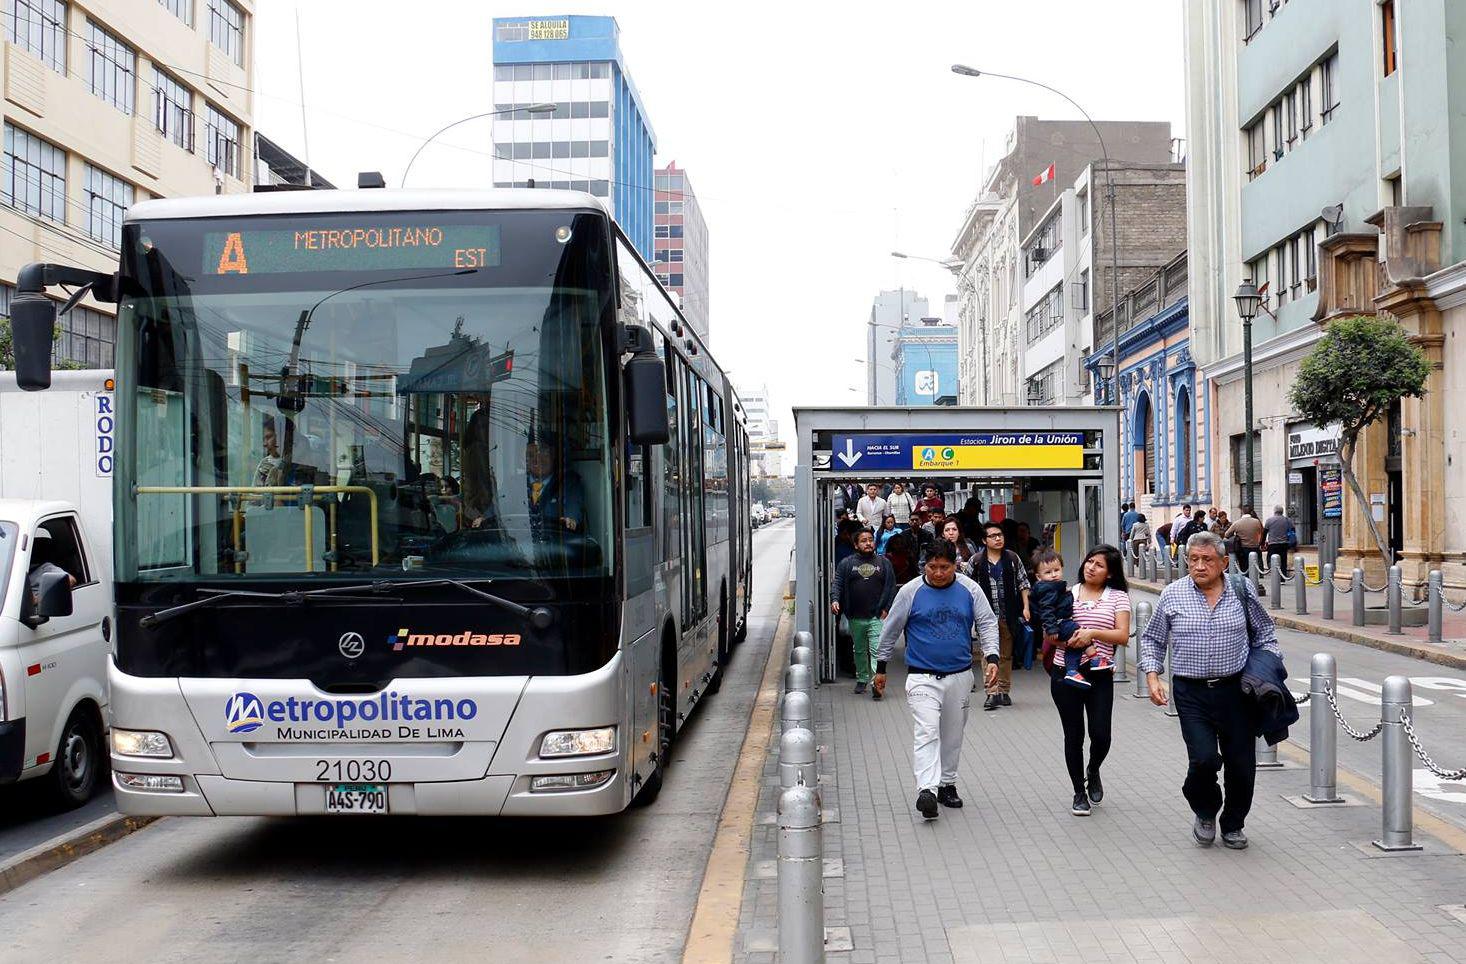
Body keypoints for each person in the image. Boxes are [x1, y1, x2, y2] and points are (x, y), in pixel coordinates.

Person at [1140, 530, 1282, 850]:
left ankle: (1233, 824)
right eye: (1193, 559)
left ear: (1224, 562)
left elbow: (1265, 634)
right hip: (1191, 693)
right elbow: (1152, 640)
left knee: (1241, 765)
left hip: (1236, 691)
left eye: (1207, 560)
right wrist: (1152, 676)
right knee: (1203, 759)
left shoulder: (1242, 590)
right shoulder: (1173, 594)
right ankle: (1205, 811)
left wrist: (1267, 666)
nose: (1200, 566)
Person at [874, 541, 1000, 819]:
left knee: (952, 735)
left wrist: (992, 657)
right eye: (933, 567)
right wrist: (881, 667)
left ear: (955, 565)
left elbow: (987, 623)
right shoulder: (910, 591)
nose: (939, 573)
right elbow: (891, 629)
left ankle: (947, 784)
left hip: (960, 675)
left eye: (945, 567)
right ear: (924, 566)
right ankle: (926, 790)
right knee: (927, 731)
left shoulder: (970, 589)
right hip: (921, 676)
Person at [1050, 544, 1131, 816]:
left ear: (1109, 573)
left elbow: (1122, 635)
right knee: (1073, 736)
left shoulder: (1118, 597)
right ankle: (1078, 792)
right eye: (1089, 561)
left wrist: (1092, 633)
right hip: (1065, 673)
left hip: (1100, 675)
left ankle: (1093, 768)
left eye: (1098, 564)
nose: (1090, 567)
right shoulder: (1066, 593)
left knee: (1101, 734)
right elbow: (1050, 633)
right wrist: (1072, 639)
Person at [969, 521, 1031, 710]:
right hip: (985, 617)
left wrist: (1026, 607)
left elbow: (1023, 583)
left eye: (1000, 535)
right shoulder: (977, 560)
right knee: (988, 654)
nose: (997, 538)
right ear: (984, 540)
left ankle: (1004, 691)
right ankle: (991, 692)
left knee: (1005, 655)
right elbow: (967, 587)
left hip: (1008, 614)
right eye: (993, 536)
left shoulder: (1012, 558)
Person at [830, 529, 897, 697]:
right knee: (859, 650)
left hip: (876, 616)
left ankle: (876, 682)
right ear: (855, 544)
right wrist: (835, 600)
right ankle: (862, 678)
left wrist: (886, 609)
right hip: (855, 616)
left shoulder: (883, 563)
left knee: (876, 650)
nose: (868, 543)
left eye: (870, 540)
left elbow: (891, 587)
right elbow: (837, 584)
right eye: (863, 541)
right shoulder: (846, 563)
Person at [1032, 550, 1096, 689]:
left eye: (1057, 570)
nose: (1054, 574)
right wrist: (1052, 628)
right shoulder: (1047, 589)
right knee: (1079, 632)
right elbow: (1046, 610)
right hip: (1060, 623)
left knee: (1074, 646)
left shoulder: (1056, 587)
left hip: (1060, 622)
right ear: (1038, 576)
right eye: (1048, 572)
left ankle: (1072, 671)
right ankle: (1095, 658)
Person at [525, 436, 585, 534]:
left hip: (556, 546)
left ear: (553, 454)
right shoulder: (513, 484)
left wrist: (569, 521)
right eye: (531, 455)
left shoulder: (569, 483)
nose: (537, 459)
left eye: (543, 452)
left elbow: (571, 519)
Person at [1225, 509, 1265, 578]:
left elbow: (1227, 534)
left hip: (1243, 549)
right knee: (1254, 567)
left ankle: (1246, 582)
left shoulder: (1237, 523)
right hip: (1255, 548)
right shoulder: (1257, 522)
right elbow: (1261, 532)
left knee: (1244, 568)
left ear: (1242, 512)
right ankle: (1254, 582)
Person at [1263, 505, 1294, 577]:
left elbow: (1264, 532)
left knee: (1271, 560)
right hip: (1284, 544)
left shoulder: (1269, 520)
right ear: (1282, 511)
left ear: (1274, 511)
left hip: (1272, 544)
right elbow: (1293, 530)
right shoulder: (1287, 520)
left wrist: (1262, 542)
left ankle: (1275, 576)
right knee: (1283, 561)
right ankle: (1282, 577)